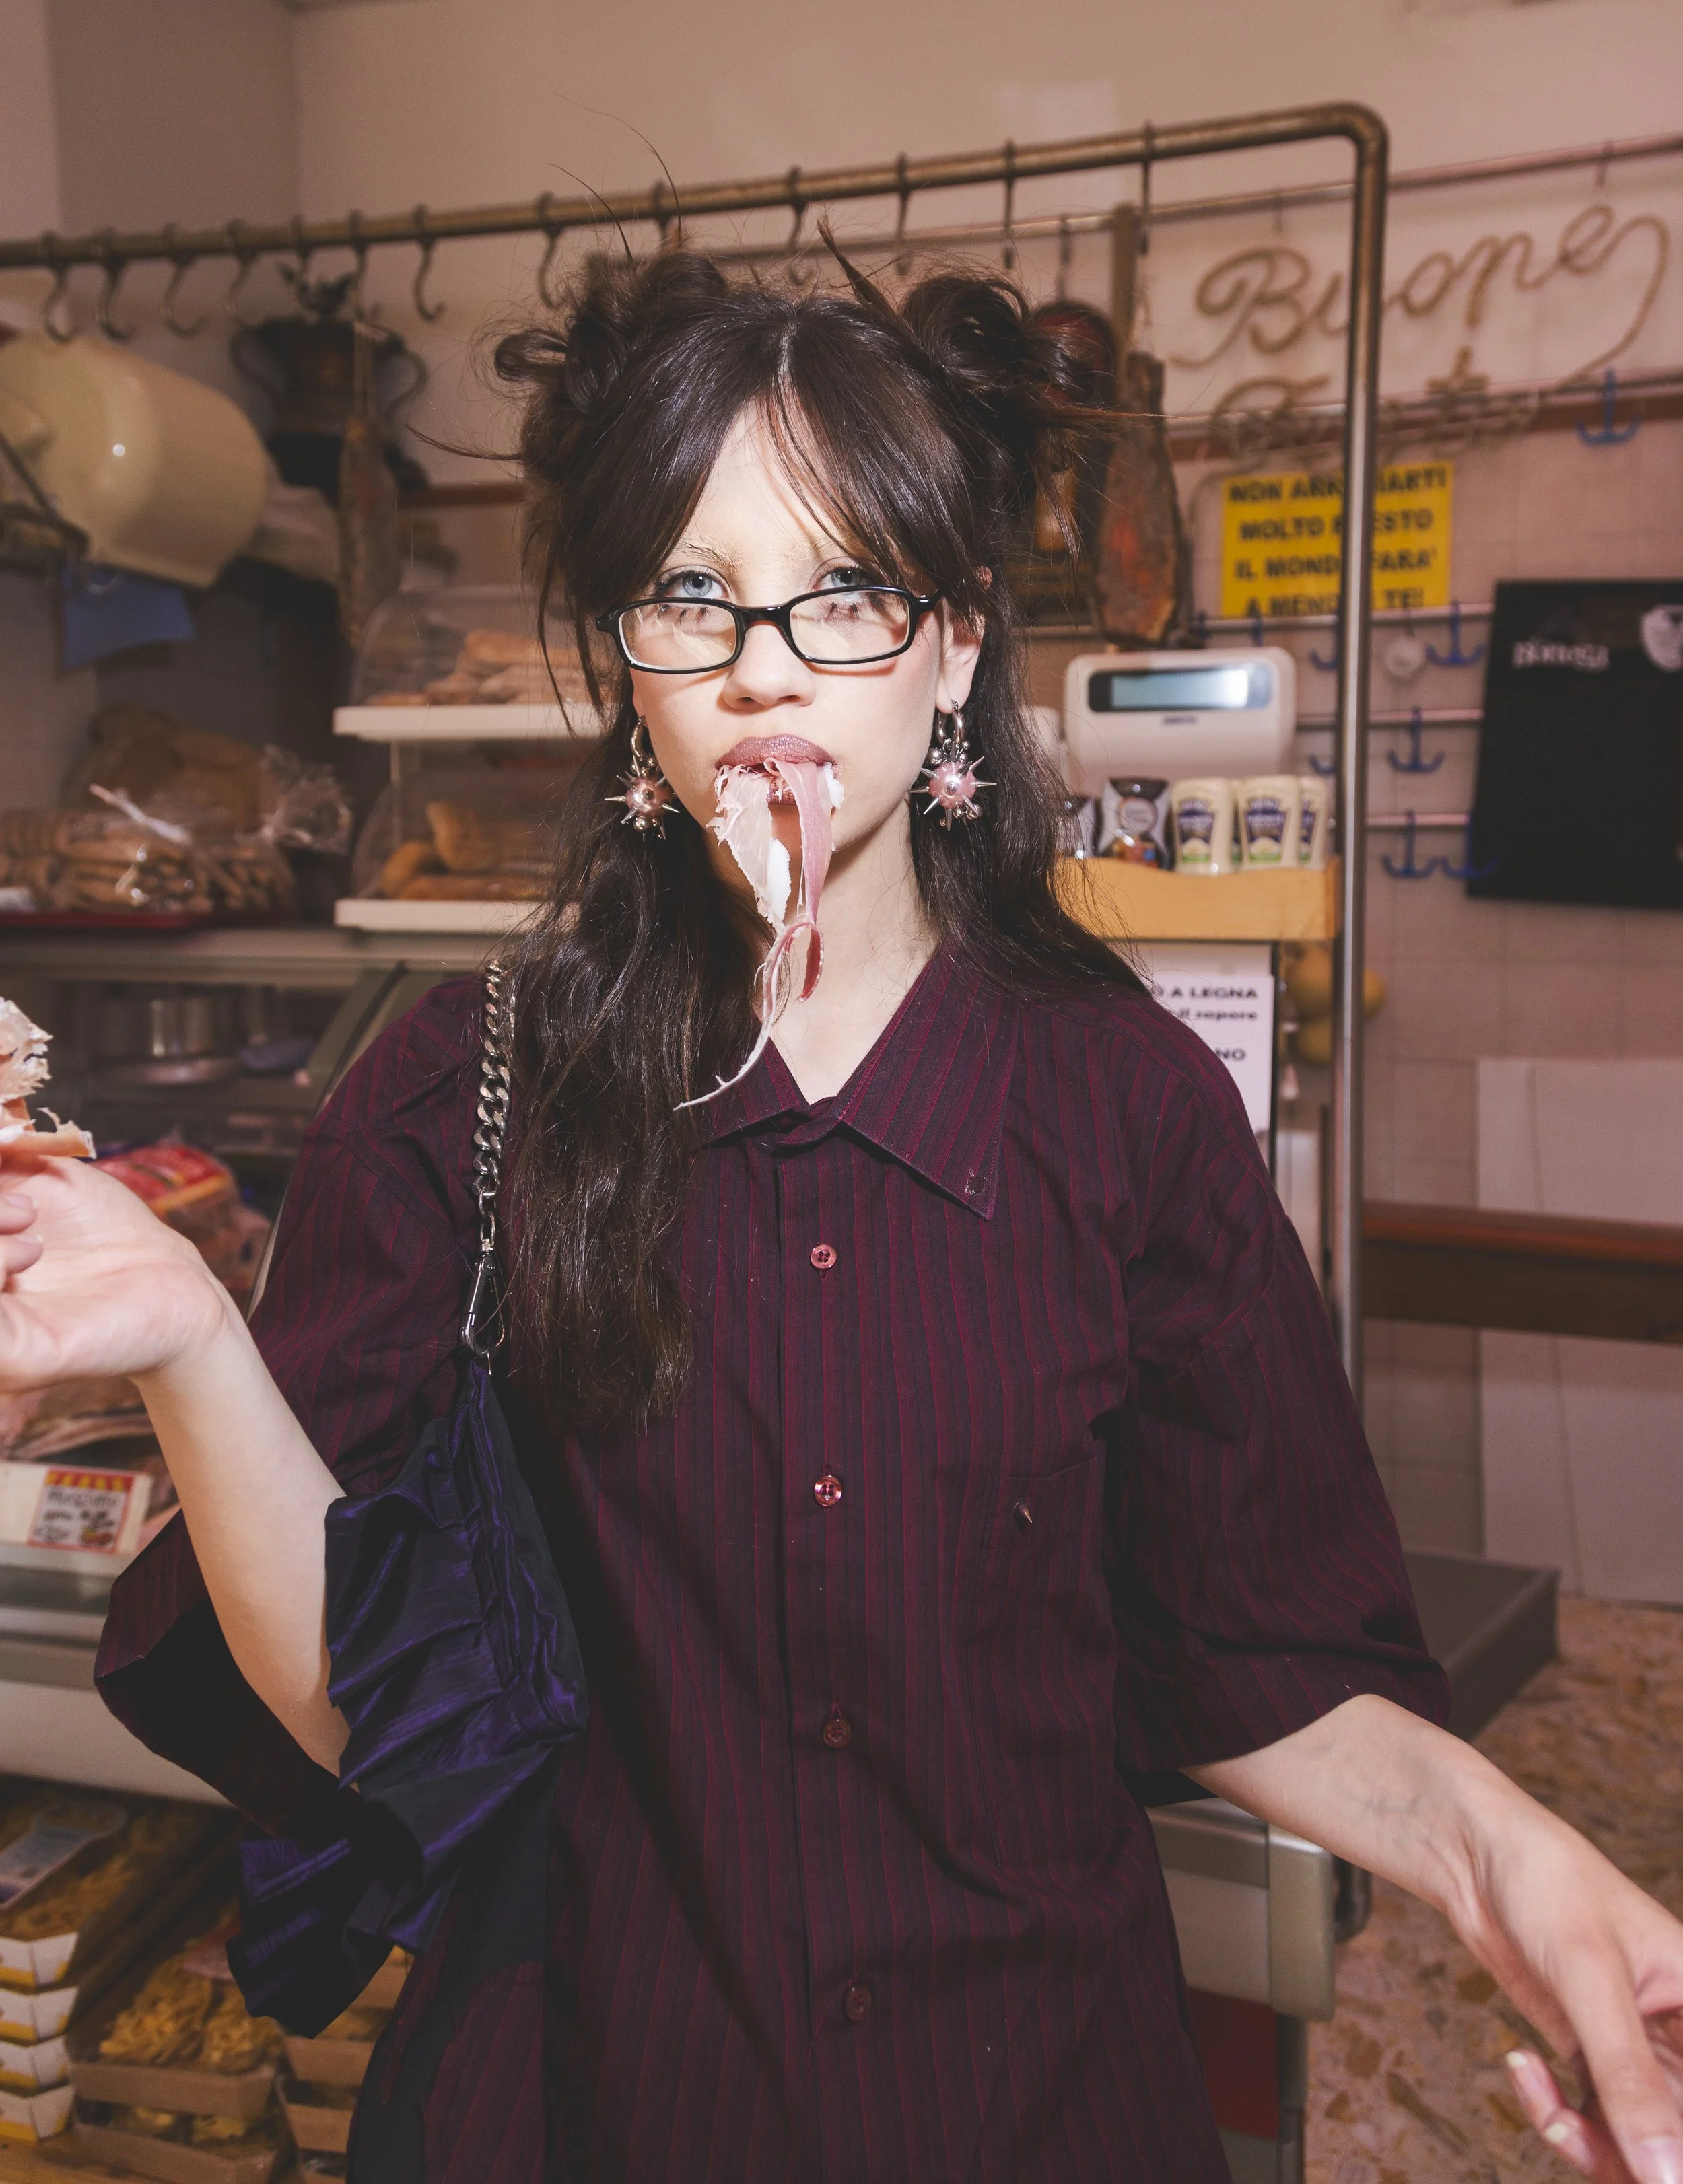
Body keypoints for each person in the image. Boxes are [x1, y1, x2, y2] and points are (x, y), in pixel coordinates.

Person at [1, 250, 1680, 2184]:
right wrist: (199, 1345)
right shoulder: (467, 1090)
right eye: (692, 592)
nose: (763, 659)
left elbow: (1264, 1660)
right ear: (630, 661)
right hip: (594, 2097)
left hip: (1038, 2106)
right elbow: (367, 1705)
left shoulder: (1125, 1109)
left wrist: (1512, 1859)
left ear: (954, 641)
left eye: (845, 590)